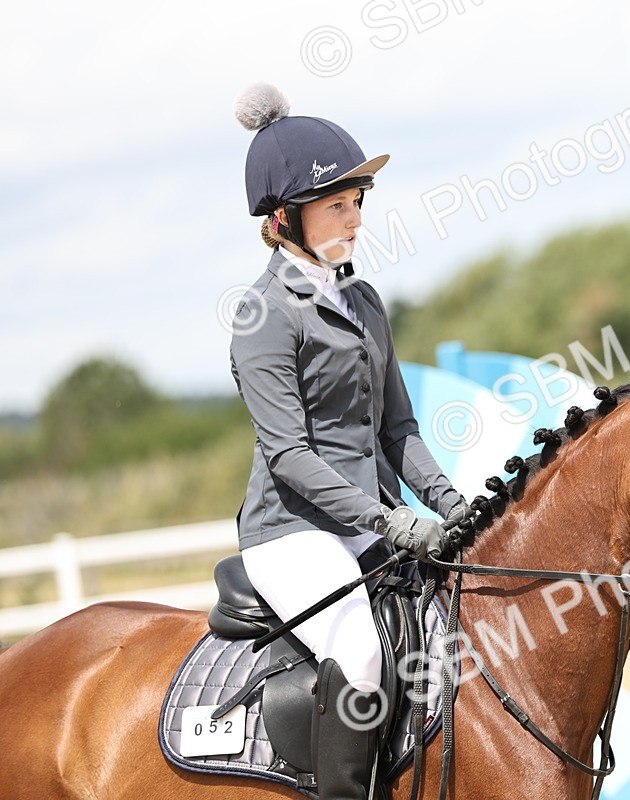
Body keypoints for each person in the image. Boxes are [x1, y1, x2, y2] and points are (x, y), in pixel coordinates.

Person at [228, 83, 466, 800]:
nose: (356, 218)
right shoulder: (262, 314)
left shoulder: (361, 302)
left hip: (366, 526)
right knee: (361, 654)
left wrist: (453, 503)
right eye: (337, 204)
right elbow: (291, 456)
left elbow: (398, 430)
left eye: (358, 202)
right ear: (283, 220)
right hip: (293, 534)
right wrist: (389, 519)